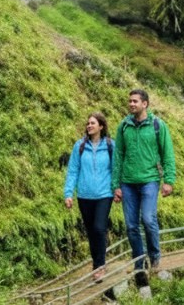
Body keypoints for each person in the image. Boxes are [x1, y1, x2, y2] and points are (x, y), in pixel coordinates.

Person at [112, 89, 176, 289]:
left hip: (150, 180)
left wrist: (169, 180)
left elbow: (168, 153)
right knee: (131, 226)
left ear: (145, 104)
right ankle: (139, 262)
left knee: (148, 219)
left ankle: (155, 256)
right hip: (128, 182)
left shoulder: (157, 125)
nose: (131, 104)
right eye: (130, 101)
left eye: (135, 101)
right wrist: (115, 185)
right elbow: (118, 156)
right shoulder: (124, 126)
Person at [63, 112, 114, 283]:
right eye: (88, 123)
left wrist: (118, 189)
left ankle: (100, 266)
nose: (89, 125)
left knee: (99, 228)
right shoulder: (80, 146)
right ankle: (96, 263)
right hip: (84, 196)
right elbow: (73, 170)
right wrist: (68, 193)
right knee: (92, 232)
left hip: (104, 195)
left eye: (93, 123)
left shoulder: (109, 146)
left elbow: (116, 170)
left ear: (101, 126)